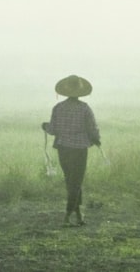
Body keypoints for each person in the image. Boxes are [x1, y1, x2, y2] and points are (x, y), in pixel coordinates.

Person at [41, 74, 101, 226]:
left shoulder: (58, 108)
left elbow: (53, 130)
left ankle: (79, 215)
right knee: (77, 181)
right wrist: (96, 139)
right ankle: (68, 215)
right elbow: (92, 128)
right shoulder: (85, 108)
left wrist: (45, 126)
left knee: (71, 181)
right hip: (80, 149)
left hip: (64, 148)